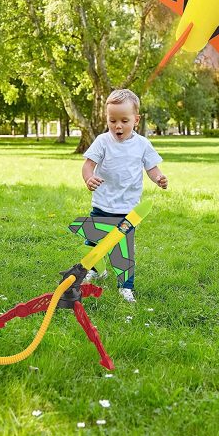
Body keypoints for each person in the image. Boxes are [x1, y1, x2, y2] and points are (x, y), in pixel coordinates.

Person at [82, 89, 168, 302]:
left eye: (124, 120)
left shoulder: (142, 145)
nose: (117, 126)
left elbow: (151, 168)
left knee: (123, 250)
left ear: (136, 120)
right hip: (102, 204)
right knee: (94, 242)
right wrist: (89, 178)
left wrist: (158, 178)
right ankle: (95, 269)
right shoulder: (102, 141)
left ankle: (125, 287)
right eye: (112, 120)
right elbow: (88, 165)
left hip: (128, 210)